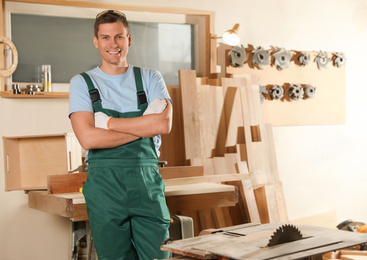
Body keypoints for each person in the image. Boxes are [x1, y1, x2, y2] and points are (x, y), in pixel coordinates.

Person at [68, 10, 172, 260]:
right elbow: (89, 139)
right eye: (105, 37)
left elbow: (163, 125)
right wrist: (143, 128)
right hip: (105, 189)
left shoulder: (150, 78)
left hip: (147, 184)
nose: (112, 44)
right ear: (96, 41)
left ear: (129, 39)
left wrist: (111, 123)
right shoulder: (82, 83)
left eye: (119, 37)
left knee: (160, 257)